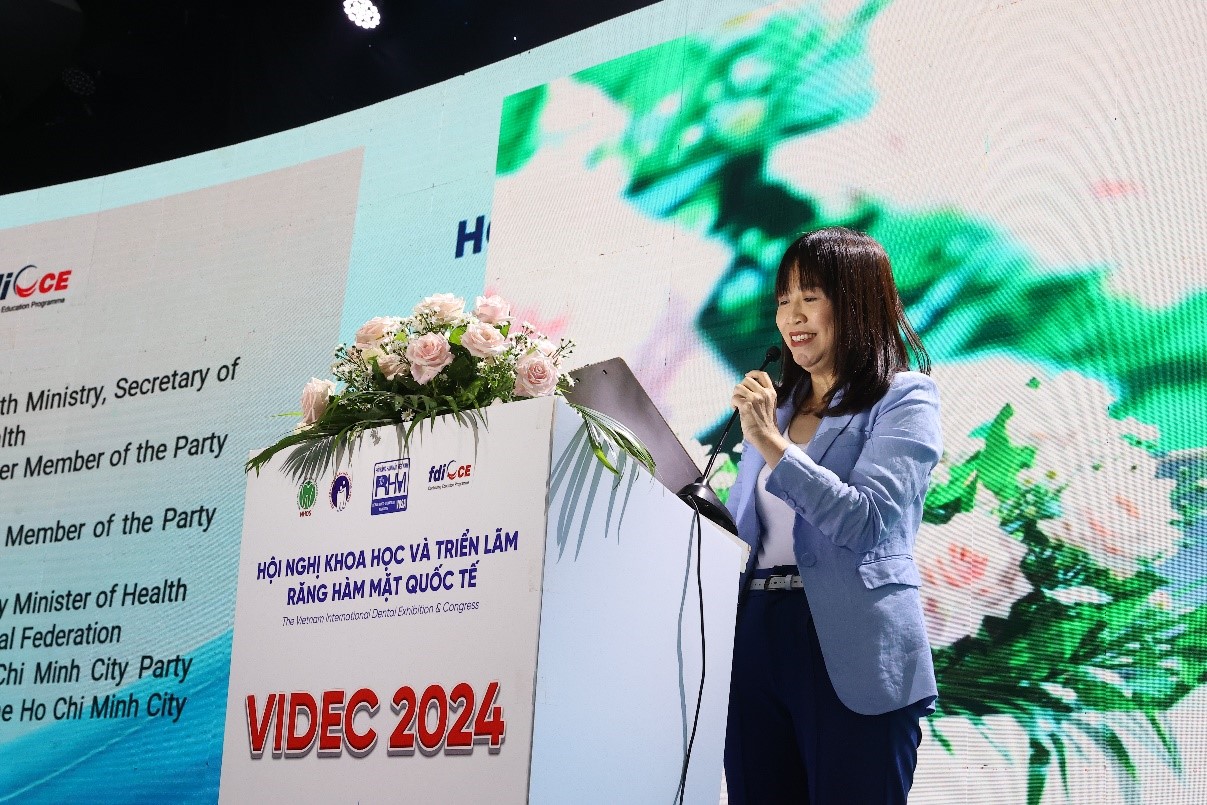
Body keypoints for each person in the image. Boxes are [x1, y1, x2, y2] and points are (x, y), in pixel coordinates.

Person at [723, 226, 941, 804]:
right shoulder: (778, 411)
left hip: (851, 642)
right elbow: (744, 531)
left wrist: (772, 443)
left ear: (855, 303)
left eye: (810, 297)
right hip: (755, 632)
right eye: (782, 300)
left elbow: (868, 522)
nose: (791, 316)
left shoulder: (904, 397)